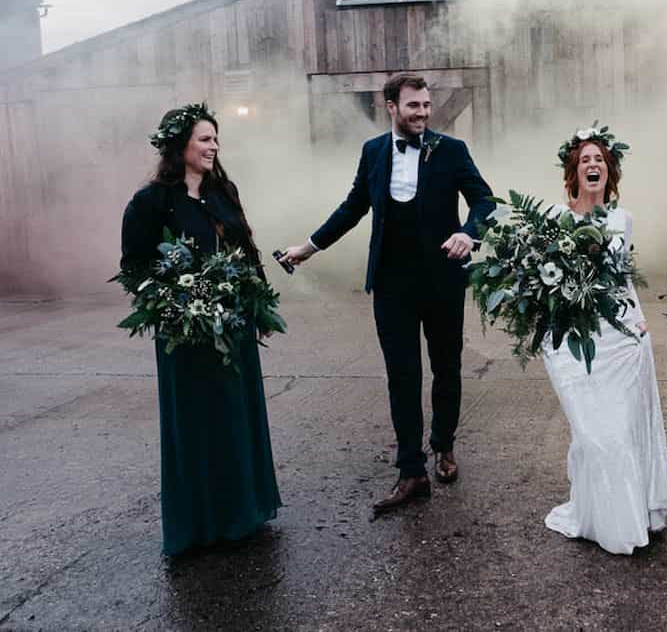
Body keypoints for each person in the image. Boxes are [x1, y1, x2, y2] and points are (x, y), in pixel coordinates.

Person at [279, 74, 494, 512]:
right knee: (402, 375)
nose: (423, 113)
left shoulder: (451, 150)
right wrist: (308, 248)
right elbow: (353, 206)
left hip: (442, 279)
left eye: (427, 106)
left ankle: (444, 445)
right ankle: (410, 469)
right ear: (391, 107)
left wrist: (468, 235)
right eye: (413, 106)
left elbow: (485, 201)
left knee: (446, 367)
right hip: (392, 283)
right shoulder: (373, 151)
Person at [120, 103, 282, 555]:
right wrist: (174, 304)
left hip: (231, 327)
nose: (214, 147)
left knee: (235, 417)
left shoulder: (223, 191)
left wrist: (259, 307)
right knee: (195, 422)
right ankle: (199, 523)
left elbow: (247, 253)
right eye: (205, 139)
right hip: (185, 335)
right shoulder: (150, 202)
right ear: (180, 146)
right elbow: (133, 268)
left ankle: (241, 515)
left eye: (215, 140)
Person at [540, 127, 667, 554]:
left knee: (620, 429)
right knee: (593, 432)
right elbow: (544, 282)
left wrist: (639, 323)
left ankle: (626, 514)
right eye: (585, 160)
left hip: (620, 338)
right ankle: (601, 512)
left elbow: (622, 281)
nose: (593, 165)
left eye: (599, 159)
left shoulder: (623, 220)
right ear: (574, 172)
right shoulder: (553, 217)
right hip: (574, 338)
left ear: (610, 170)